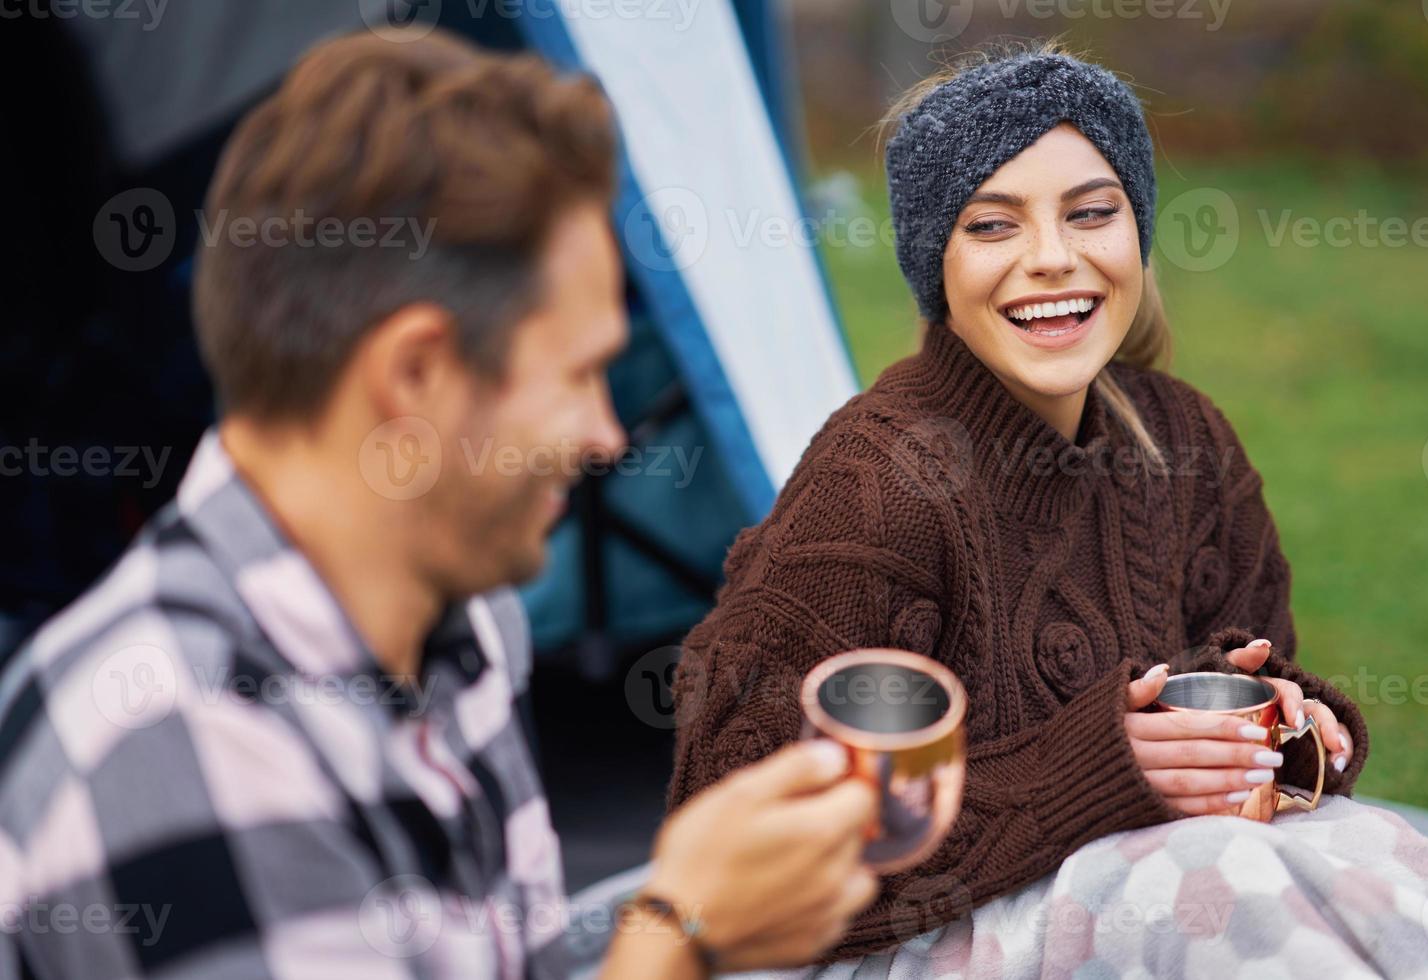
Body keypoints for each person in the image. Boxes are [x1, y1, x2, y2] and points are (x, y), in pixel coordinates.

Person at [0, 30, 878, 979]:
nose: (606, 437)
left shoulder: (463, 624)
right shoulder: (179, 731)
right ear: (414, 374)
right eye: (581, 374)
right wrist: (679, 936)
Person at [667, 41, 1374, 962]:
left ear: (1137, 232)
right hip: (909, 941)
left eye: (1091, 213)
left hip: (1157, 894)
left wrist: (1297, 731)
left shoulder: (1185, 443)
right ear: (936, 264)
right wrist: (1092, 772)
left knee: (1369, 854)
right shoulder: (879, 488)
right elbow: (721, 837)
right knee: (1221, 886)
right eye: (993, 225)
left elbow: (1250, 706)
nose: (1052, 258)